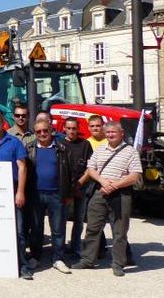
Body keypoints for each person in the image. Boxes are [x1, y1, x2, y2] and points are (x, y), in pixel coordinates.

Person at [72, 121, 142, 277]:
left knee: (119, 231)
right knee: (93, 228)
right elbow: (91, 169)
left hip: (121, 195)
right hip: (100, 192)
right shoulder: (100, 149)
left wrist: (115, 185)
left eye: (113, 132)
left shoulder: (131, 151)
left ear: (121, 133)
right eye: (108, 132)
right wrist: (103, 182)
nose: (110, 134)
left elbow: (135, 176)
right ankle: (87, 260)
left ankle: (118, 263)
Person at [0, 110, 32, 279]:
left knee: (18, 230)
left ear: (3, 123)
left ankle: (23, 266)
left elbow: (22, 167)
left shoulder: (14, 142)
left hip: (12, 190)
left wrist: (20, 192)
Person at [24, 118, 73, 274]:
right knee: (36, 228)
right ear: (35, 133)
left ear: (51, 130)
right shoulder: (29, 147)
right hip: (35, 194)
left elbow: (70, 173)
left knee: (58, 228)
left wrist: (69, 193)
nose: (42, 134)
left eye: (45, 130)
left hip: (56, 194)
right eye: (38, 131)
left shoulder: (62, 148)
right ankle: (36, 257)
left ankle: (58, 258)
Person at [59, 117, 93, 258]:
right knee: (62, 219)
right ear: (64, 129)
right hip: (64, 188)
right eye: (69, 128)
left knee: (79, 219)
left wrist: (79, 185)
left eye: (74, 128)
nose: (71, 131)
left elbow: (90, 167)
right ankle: (60, 247)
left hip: (81, 187)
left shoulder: (85, 145)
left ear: (78, 129)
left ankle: (75, 246)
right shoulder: (59, 144)